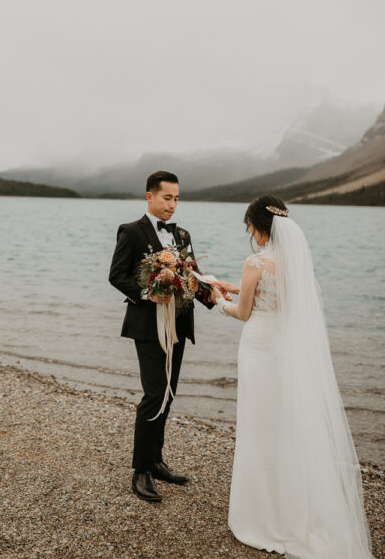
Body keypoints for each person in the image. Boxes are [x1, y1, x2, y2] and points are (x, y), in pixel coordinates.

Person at [211, 195, 373, 559]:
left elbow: (243, 312)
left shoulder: (254, 261)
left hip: (259, 347)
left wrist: (217, 297)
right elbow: (279, 297)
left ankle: (264, 513)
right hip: (286, 349)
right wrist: (234, 285)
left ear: (255, 226)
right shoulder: (295, 261)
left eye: (248, 226)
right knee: (287, 423)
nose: (249, 231)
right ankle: (295, 503)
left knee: (259, 423)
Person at [108, 170, 221, 502]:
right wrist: (147, 291)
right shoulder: (131, 231)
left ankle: (156, 461)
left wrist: (214, 297)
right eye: (166, 198)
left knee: (169, 393)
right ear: (149, 196)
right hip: (147, 324)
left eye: (176, 198)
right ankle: (140, 471)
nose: (172, 204)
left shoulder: (182, 235)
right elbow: (116, 275)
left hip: (179, 324)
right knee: (154, 394)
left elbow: (191, 277)